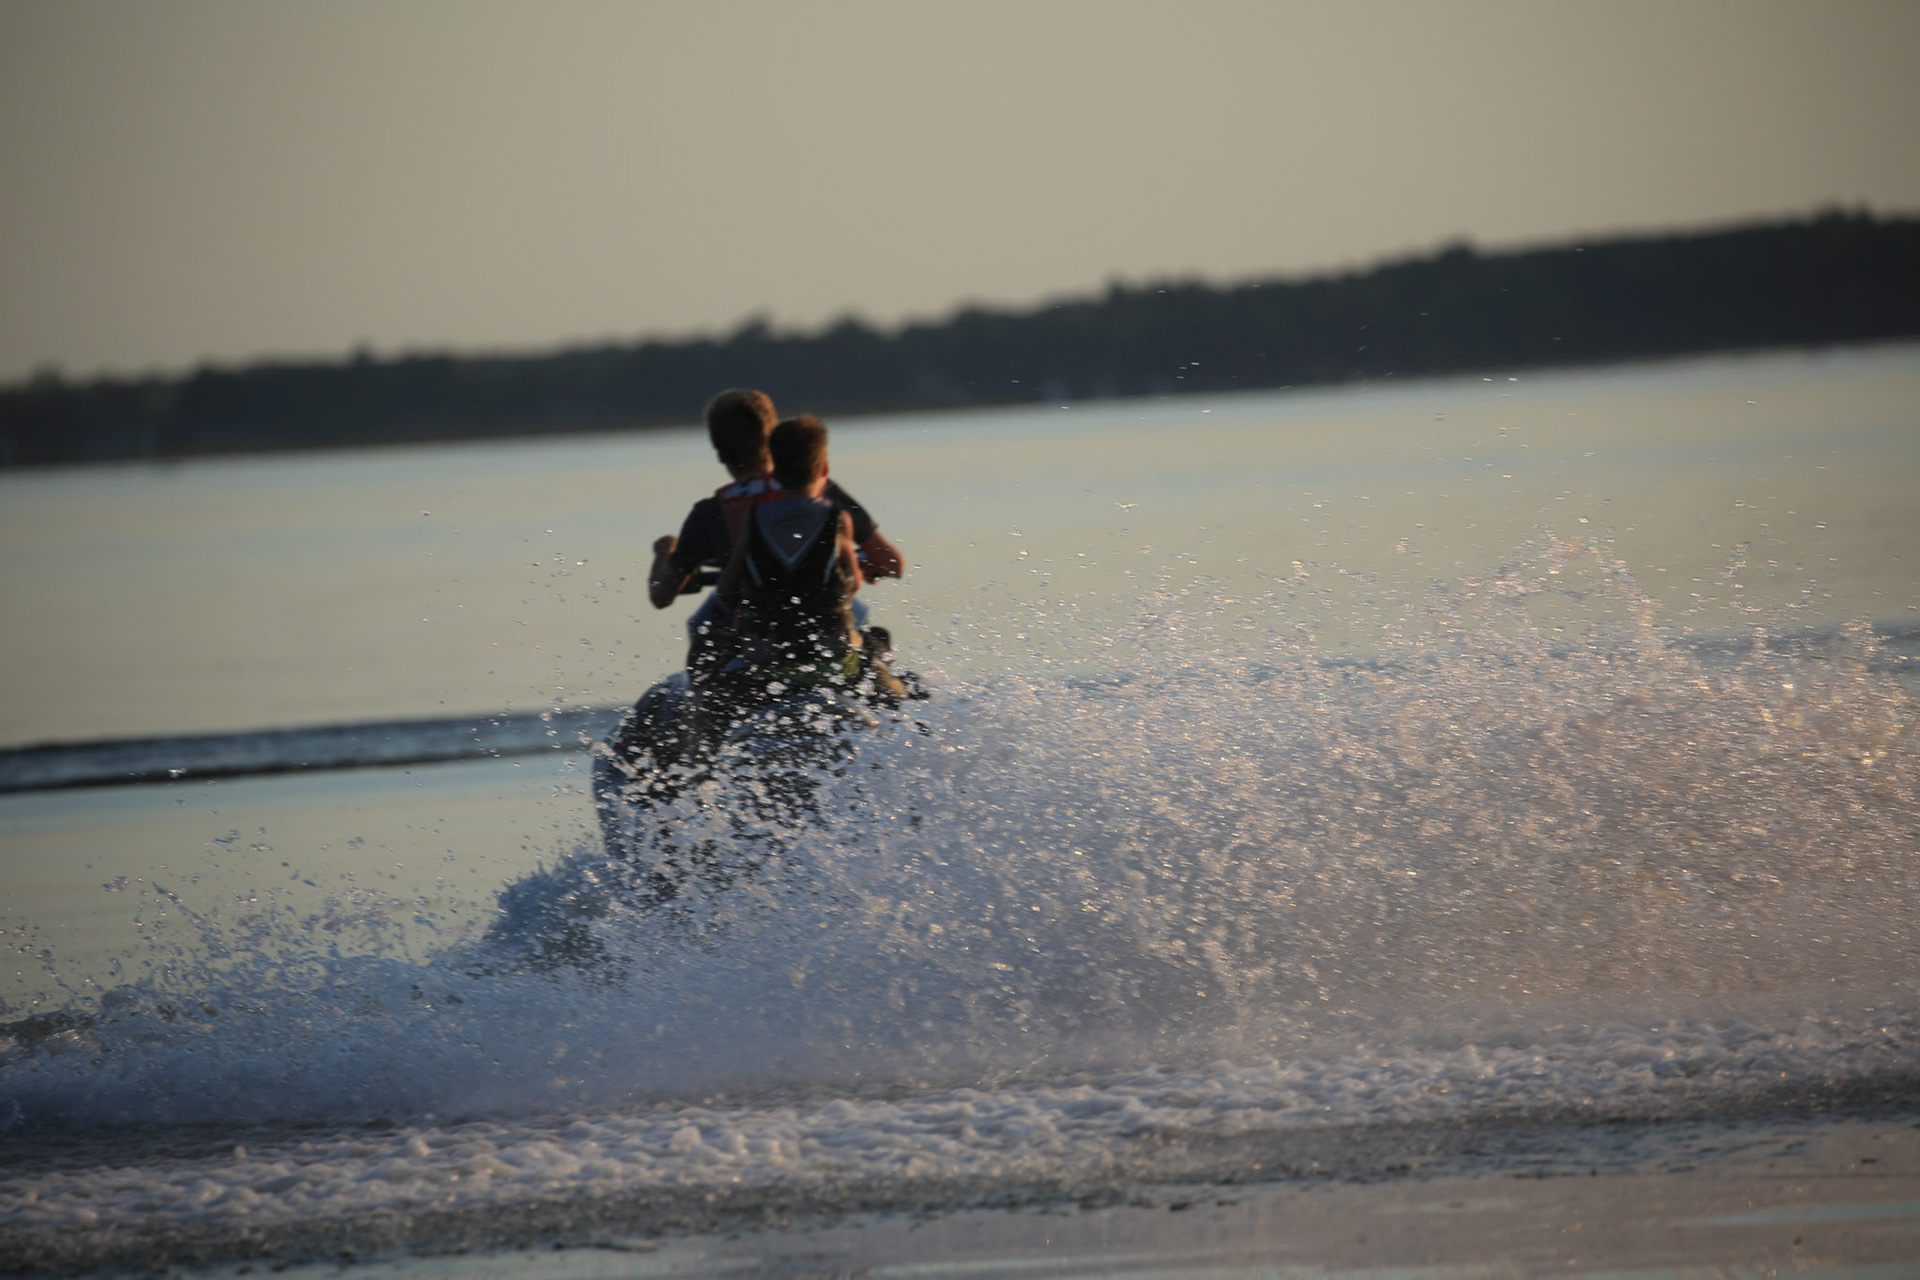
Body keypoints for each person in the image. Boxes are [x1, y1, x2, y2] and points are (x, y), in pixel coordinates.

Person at [647, 389, 901, 679]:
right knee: (865, 623)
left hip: (757, 633)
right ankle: (881, 683)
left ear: (719, 451)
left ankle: (701, 703)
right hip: (830, 632)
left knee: (703, 633)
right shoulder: (819, 490)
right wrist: (855, 565)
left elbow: (661, 596)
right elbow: (890, 562)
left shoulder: (709, 512)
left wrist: (665, 551)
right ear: (773, 444)